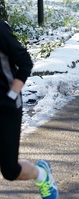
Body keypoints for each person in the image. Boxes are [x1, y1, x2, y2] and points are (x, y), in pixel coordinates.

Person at [0, 19, 59, 199]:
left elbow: (25, 63)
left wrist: (12, 95)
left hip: (6, 106)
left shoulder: (0, 30)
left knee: (10, 171)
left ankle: (42, 175)